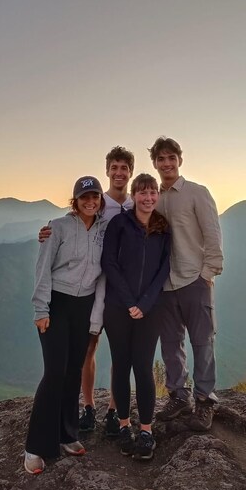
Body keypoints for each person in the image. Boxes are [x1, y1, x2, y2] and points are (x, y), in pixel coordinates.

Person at [38, 146, 135, 436]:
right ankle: (89, 407)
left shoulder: (134, 205)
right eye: (114, 167)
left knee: (121, 352)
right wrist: (47, 234)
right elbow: (73, 224)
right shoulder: (97, 202)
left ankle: (114, 411)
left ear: (129, 172)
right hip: (91, 289)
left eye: (124, 168)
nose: (119, 173)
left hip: (122, 289)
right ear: (107, 170)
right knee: (87, 348)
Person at [24, 176, 108, 475]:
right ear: (75, 200)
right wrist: (40, 309)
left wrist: (95, 317)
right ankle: (36, 447)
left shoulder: (103, 229)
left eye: (95, 196)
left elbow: (102, 276)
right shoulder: (57, 227)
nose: (90, 201)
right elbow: (42, 267)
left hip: (84, 305)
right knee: (55, 372)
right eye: (85, 196)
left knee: (74, 370)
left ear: (100, 199)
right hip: (57, 304)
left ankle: (67, 434)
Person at [149, 136, 223, 431]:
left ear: (180, 160)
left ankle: (205, 400)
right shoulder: (154, 197)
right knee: (170, 344)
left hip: (194, 278)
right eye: (161, 159)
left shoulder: (196, 192)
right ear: (154, 163)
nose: (166, 164)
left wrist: (208, 272)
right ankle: (179, 396)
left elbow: (212, 234)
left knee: (202, 342)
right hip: (165, 284)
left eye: (171, 158)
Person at [101, 174, 171, 460]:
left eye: (153, 192)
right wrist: (131, 302)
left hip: (150, 308)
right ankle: (123, 425)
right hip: (118, 307)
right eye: (142, 193)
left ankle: (146, 431)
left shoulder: (162, 228)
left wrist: (144, 302)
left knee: (142, 367)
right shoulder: (119, 223)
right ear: (134, 196)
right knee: (120, 364)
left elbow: (164, 269)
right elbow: (109, 262)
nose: (148, 198)